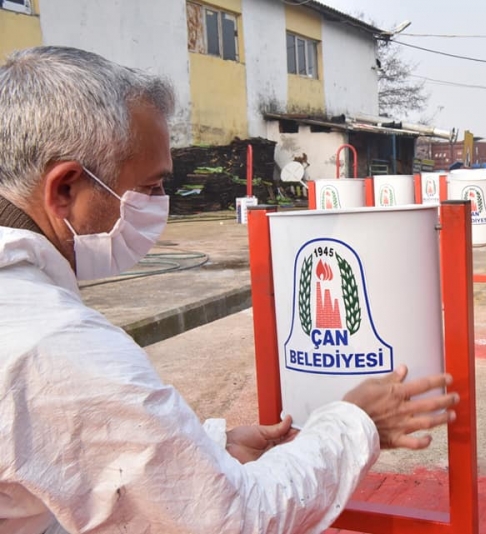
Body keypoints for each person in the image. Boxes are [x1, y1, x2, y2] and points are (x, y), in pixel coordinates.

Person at [0, 46, 459, 533]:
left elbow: (52, 469)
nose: (159, 205)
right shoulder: (54, 346)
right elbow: (231, 520)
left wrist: (207, 451)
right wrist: (355, 426)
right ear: (65, 188)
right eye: (151, 187)